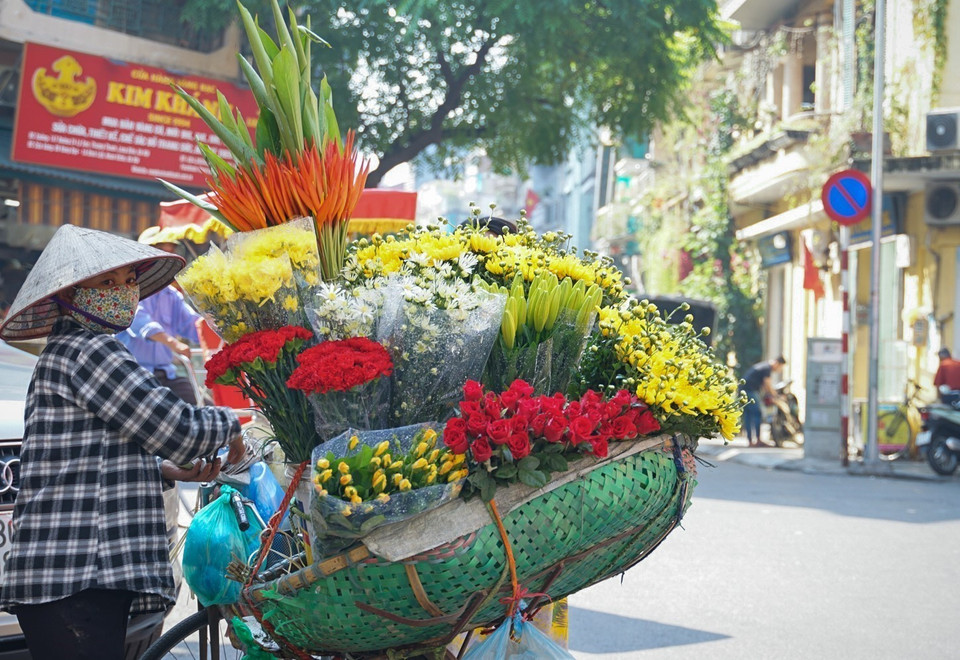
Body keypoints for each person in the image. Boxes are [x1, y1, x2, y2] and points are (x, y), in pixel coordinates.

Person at [0, 224, 245, 660]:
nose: (124, 292)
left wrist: (163, 469)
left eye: (129, 280)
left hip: (67, 581)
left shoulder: (66, 349)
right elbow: (178, 429)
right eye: (107, 283)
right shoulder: (90, 351)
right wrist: (234, 424)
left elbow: (83, 460)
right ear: (72, 294)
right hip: (77, 579)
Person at [116, 228, 204, 404]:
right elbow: (142, 324)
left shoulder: (172, 295)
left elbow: (193, 324)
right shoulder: (129, 291)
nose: (165, 259)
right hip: (134, 374)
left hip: (166, 374)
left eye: (170, 253)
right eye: (160, 252)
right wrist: (174, 343)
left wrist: (223, 329)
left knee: (203, 408)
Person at [741, 356, 786, 447]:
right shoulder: (767, 368)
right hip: (749, 391)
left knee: (748, 415)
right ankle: (758, 440)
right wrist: (776, 396)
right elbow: (767, 384)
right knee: (757, 413)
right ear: (777, 363)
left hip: (743, 389)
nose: (779, 370)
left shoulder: (763, 366)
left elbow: (765, 386)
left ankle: (750, 441)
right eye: (780, 368)